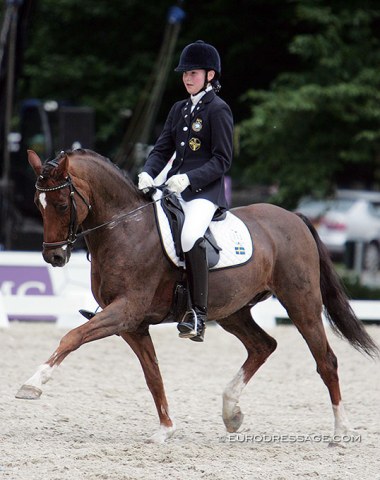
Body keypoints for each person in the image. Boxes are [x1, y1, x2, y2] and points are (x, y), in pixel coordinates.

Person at [138, 40, 234, 342]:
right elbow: (162, 148)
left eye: (193, 73)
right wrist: (147, 172)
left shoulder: (218, 110)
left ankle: (198, 314)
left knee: (190, 236)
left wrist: (189, 179)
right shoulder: (179, 109)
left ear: (209, 75)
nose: (187, 78)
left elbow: (222, 160)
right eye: (184, 73)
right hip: (172, 187)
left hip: (204, 193)